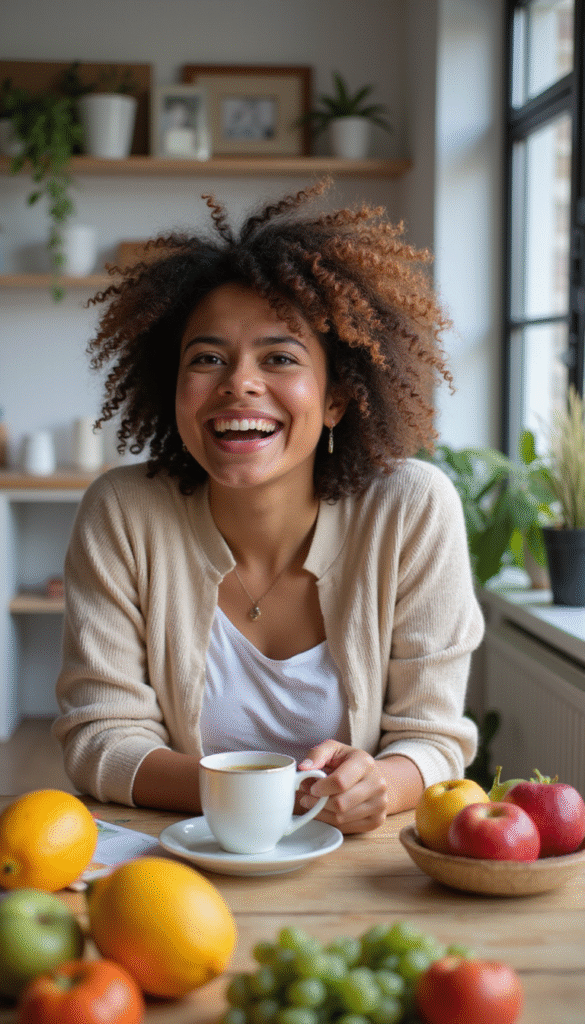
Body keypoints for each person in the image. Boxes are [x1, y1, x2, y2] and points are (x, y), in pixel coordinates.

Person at [53, 179, 484, 835]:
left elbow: (432, 738)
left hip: (352, 865)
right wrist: (267, 796)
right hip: (177, 861)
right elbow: (100, 740)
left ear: (336, 398)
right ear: (174, 388)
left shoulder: (411, 509)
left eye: (279, 357)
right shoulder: (122, 513)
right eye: (208, 358)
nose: (239, 383)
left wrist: (378, 784)